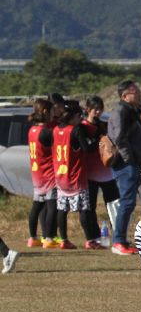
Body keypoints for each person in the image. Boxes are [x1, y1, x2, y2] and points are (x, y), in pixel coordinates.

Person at [108, 80, 141, 255]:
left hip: (132, 164)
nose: (139, 94)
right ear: (125, 95)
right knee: (126, 203)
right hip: (126, 165)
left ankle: (121, 239)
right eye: (135, 92)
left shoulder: (130, 111)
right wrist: (129, 159)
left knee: (129, 203)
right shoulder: (121, 112)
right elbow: (119, 138)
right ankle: (118, 241)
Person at [52, 100, 100, 249]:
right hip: (76, 176)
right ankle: (90, 240)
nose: (81, 119)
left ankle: (63, 239)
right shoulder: (75, 130)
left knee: (62, 209)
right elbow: (87, 149)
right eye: (79, 116)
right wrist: (99, 141)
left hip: (61, 176)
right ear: (73, 116)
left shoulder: (56, 129)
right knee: (84, 208)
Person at [82, 96, 120, 232]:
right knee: (91, 206)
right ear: (88, 109)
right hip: (90, 173)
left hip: (107, 172)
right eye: (95, 109)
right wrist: (98, 138)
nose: (98, 112)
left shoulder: (103, 125)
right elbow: (86, 147)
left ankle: (117, 231)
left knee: (114, 203)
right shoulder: (82, 127)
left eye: (100, 109)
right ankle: (95, 234)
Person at [26, 98, 58, 248]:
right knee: (52, 206)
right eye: (51, 112)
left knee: (37, 206)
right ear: (45, 112)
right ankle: (49, 238)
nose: (53, 115)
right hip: (49, 174)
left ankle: (33, 237)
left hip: (37, 174)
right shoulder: (46, 132)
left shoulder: (32, 130)